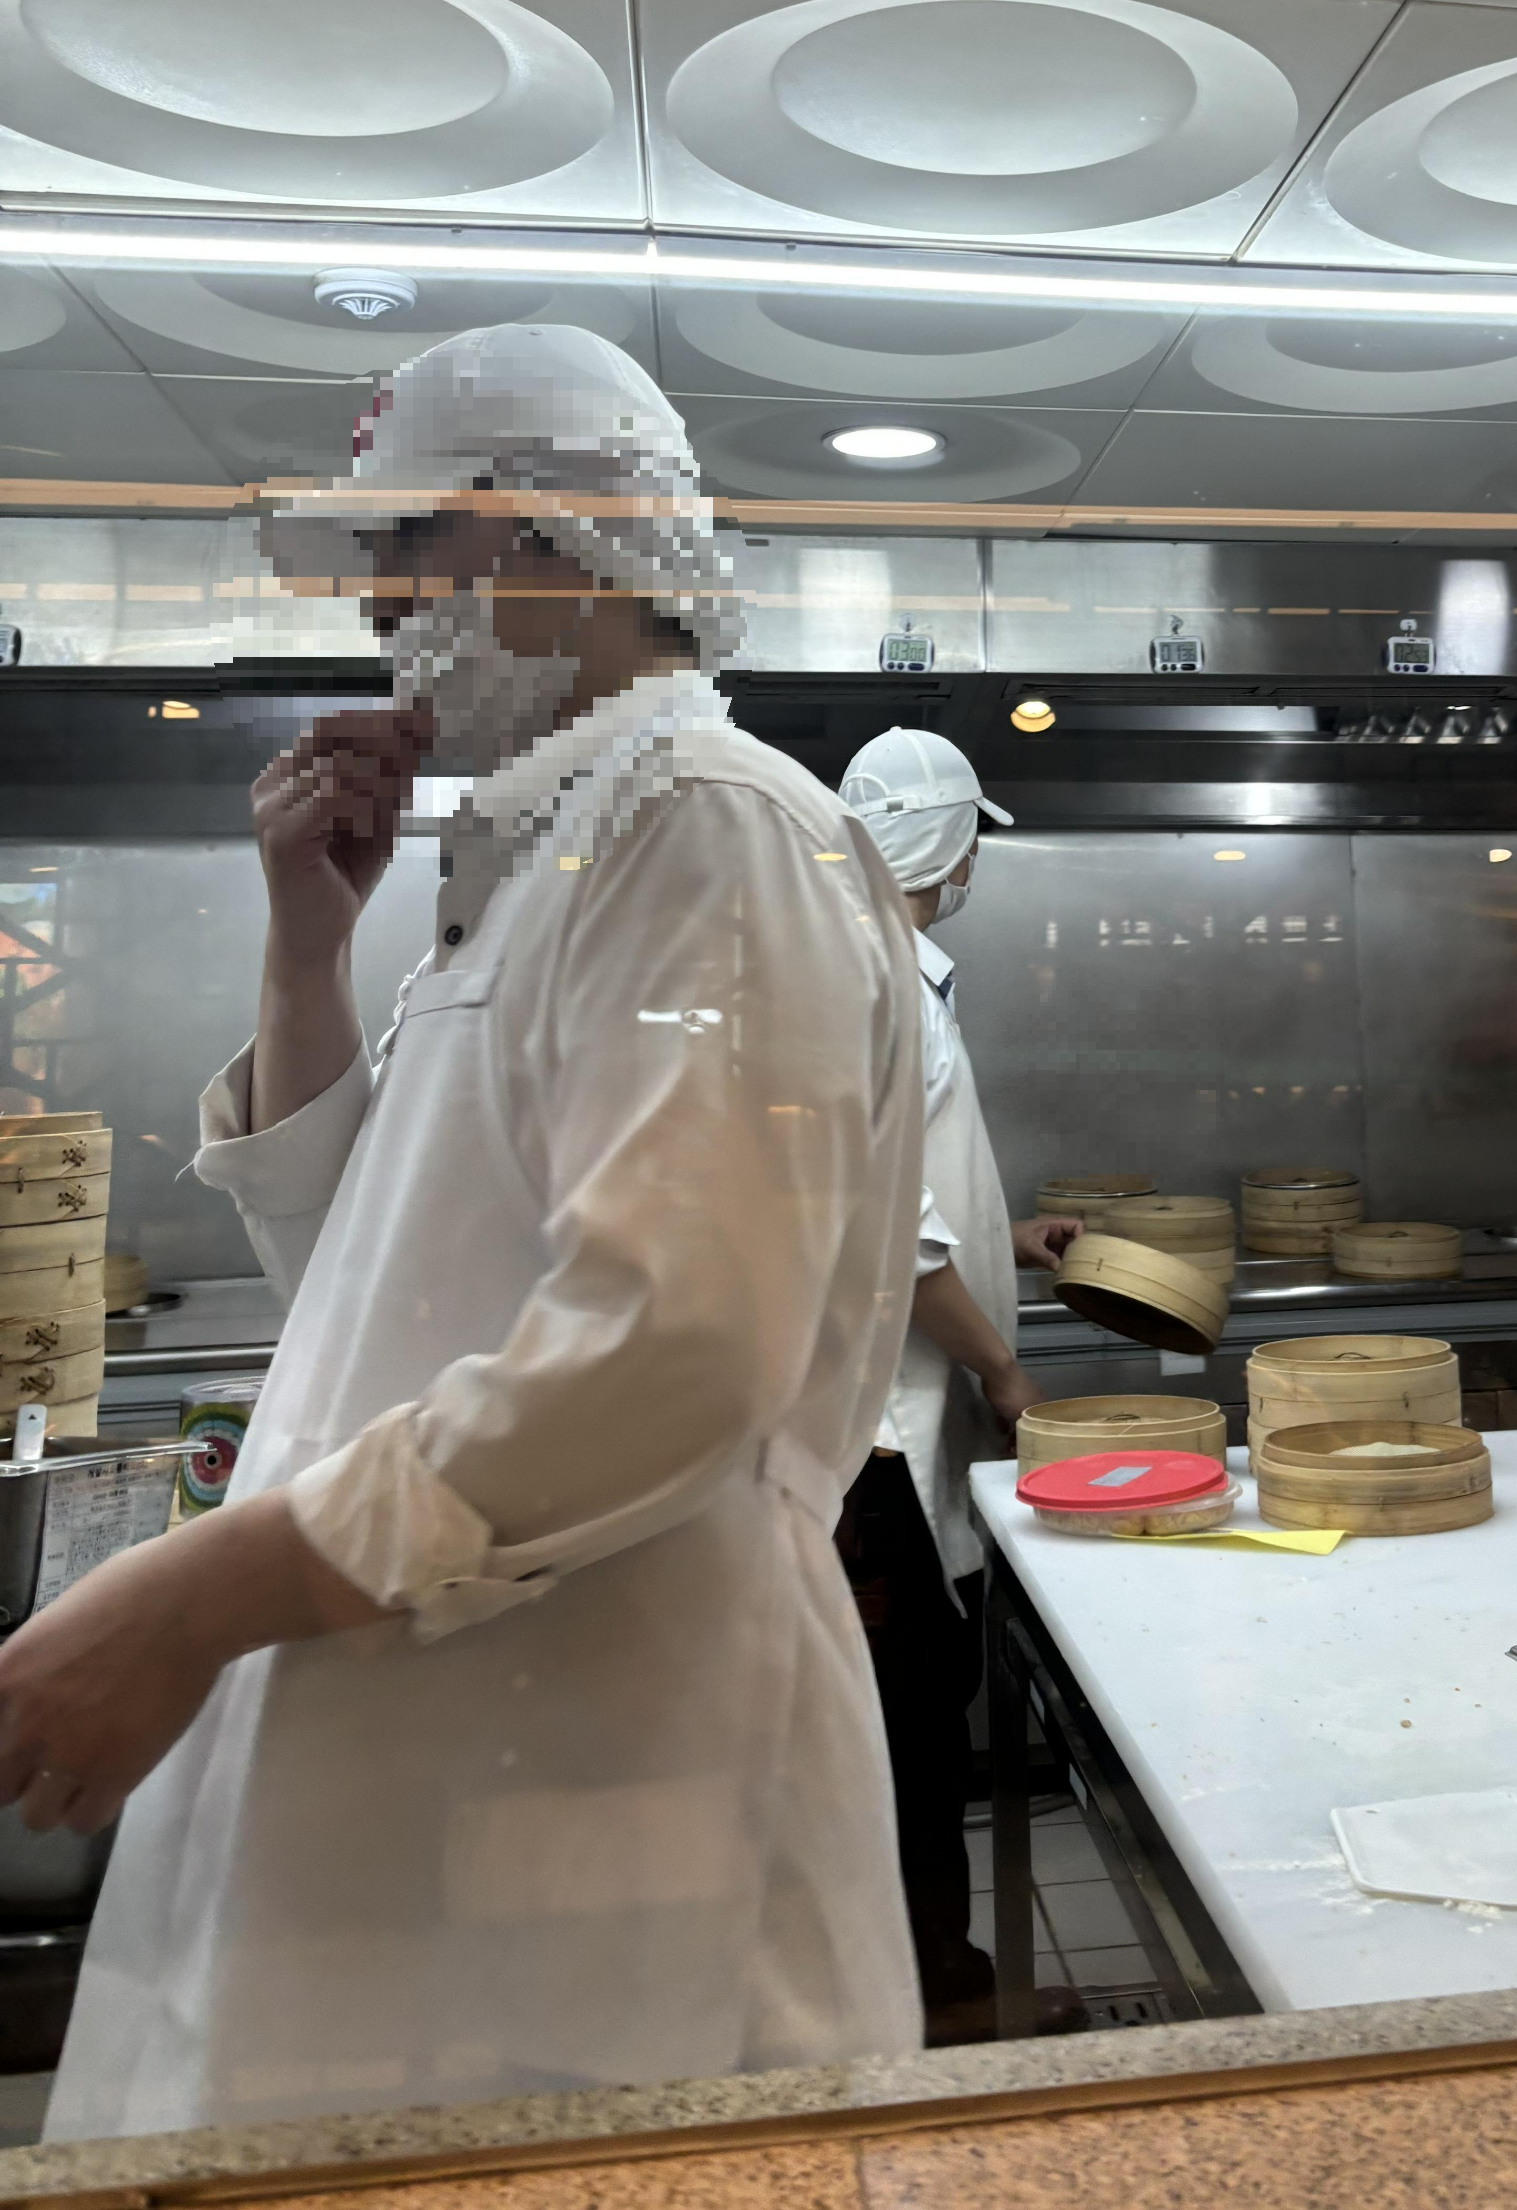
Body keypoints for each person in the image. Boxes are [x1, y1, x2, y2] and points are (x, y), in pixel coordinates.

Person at [1, 325, 928, 2138]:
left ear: (570, 537)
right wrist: (306, 947)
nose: (378, 605)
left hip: (610, 1806)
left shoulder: (706, 826)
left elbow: (674, 1351)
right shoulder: (539, 855)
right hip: (448, 1807)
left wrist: (194, 1598)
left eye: (410, 547)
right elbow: (366, 1296)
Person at [835, 728, 1083, 2046]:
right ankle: (936, 2017)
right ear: (946, 846)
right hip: (883, 1449)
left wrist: (1009, 1238)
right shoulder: (873, 978)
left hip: (896, 1441)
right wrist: (1000, 1363)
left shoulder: (884, 973)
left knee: (916, 1734)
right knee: (904, 1750)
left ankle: (941, 1987)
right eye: (969, 836)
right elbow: (886, 1228)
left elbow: (917, 1199)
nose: (975, 859)